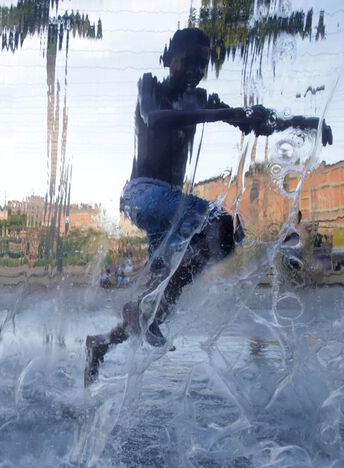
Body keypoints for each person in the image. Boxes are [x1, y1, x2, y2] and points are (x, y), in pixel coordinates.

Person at [84, 28, 333, 386]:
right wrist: (217, 113)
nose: (197, 68)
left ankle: (102, 344)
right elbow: (154, 117)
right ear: (169, 57)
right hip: (142, 194)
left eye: (204, 62)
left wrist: (305, 123)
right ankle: (141, 308)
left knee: (176, 280)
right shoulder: (150, 86)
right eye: (190, 59)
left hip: (169, 208)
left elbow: (253, 121)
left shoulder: (201, 99)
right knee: (221, 225)